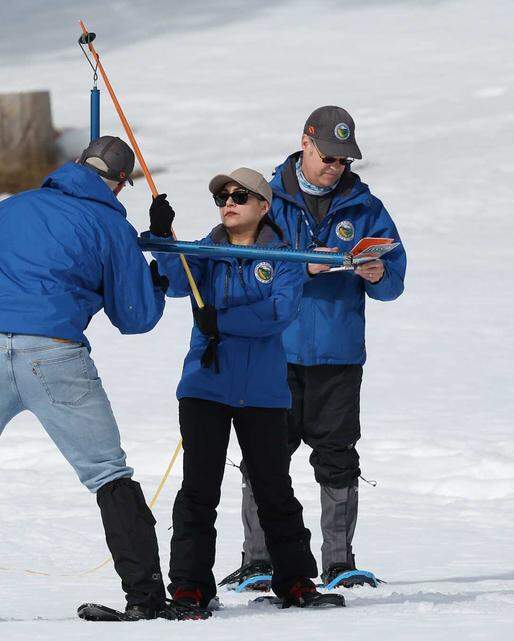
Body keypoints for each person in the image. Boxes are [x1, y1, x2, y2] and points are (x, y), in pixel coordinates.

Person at [0, 136, 205, 623]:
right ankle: (145, 598)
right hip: (53, 352)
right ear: (120, 185)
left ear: (75, 165)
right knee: (107, 473)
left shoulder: (12, 207)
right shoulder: (109, 224)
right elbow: (134, 316)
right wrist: (154, 277)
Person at [220, 106, 407, 591]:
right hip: (273, 352)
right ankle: (258, 561)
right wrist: (300, 269)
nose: (335, 166)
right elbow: (238, 262)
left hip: (338, 356)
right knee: (264, 456)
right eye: (328, 156)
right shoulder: (265, 199)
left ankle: (340, 562)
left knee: (338, 456)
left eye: (344, 160)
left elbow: (394, 282)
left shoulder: (366, 206)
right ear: (305, 142)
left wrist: (378, 274)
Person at [148, 167, 345, 612]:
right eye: (222, 197)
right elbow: (177, 282)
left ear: (263, 204)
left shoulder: (285, 258)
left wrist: (223, 321)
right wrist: (162, 236)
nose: (228, 202)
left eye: (240, 195)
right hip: (205, 387)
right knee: (200, 489)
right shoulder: (204, 250)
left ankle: (295, 581)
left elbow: (278, 313)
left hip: (262, 393)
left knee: (273, 488)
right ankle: (190, 586)